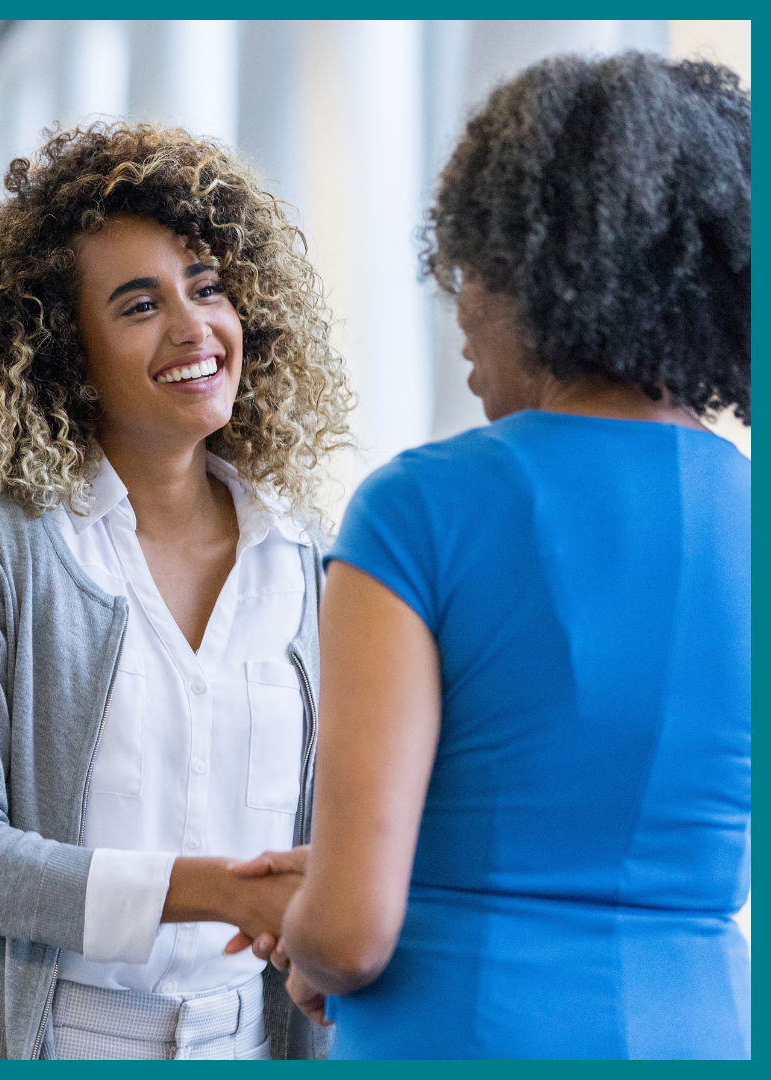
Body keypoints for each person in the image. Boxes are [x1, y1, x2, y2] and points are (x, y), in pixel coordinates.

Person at [275, 53, 750, 1059]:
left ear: (529, 269)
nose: (459, 316)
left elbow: (353, 933)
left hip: (463, 1029)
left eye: (467, 270)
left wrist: (305, 940)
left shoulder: (419, 509)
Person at [0, 122, 351, 1060]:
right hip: (46, 1038)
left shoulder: (302, 557)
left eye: (207, 288)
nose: (193, 328)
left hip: (247, 1040)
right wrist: (215, 888)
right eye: (139, 306)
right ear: (63, 352)